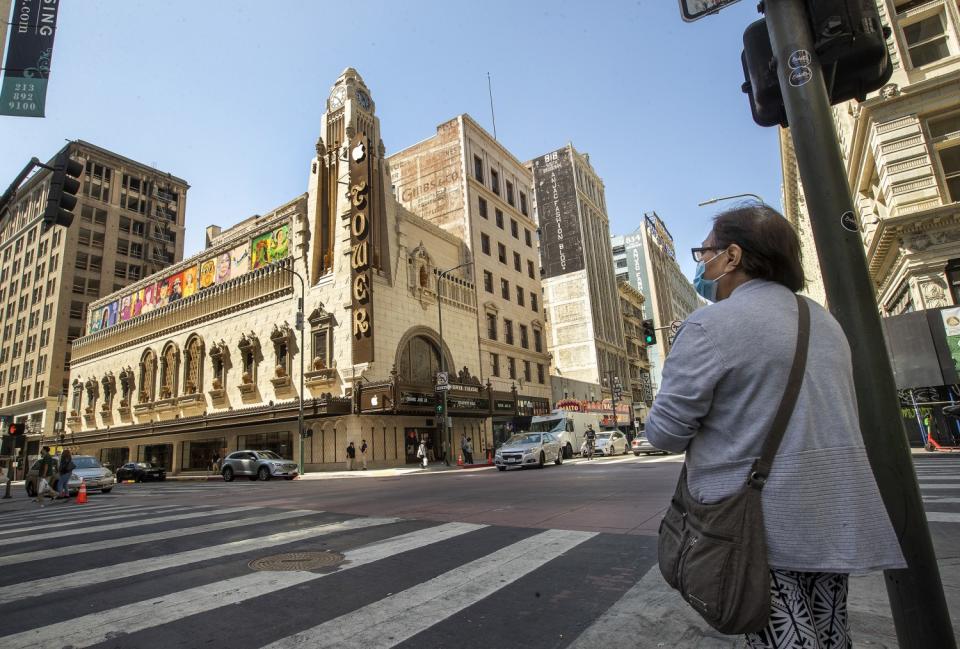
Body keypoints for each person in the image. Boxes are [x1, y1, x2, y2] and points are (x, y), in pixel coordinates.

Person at [645, 203, 904, 649]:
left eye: (703, 253)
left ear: (732, 256)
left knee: (786, 639)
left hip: (759, 527)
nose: (702, 265)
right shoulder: (823, 322)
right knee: (828, 633)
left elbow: (664, 433)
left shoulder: (709, 324)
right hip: (830, 516)